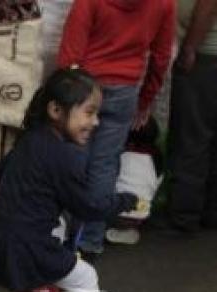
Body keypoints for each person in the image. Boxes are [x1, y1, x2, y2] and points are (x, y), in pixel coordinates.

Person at [0, 69, 140, 292]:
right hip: (27, 249)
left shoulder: (31, 139)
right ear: (56, 110)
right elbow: (89, 206)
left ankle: (61, 288)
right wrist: (123, 202)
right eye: (89, 113)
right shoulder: (66, 156)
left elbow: (2, 171)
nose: (95, 122)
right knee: (87, 275)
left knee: (60, 226)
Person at [57, 0, 175, 258]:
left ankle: (59, 236)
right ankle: (89, 242)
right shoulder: (164, 4)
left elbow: (69, 55)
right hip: (125, 91)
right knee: (104, 167)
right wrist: (144, 101)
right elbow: (161, 58)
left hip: (84, 87)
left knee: (70, 161)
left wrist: (65, 96)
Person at [167, 0, 217, 232]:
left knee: (192, 138)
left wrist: (189, 48)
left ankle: (184, 217)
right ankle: (210, 212)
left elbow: (207, 6)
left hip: (205, 56)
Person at [106, 116, 165, 245]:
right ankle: (128, 229)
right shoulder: (157, 158)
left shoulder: (119, 153)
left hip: (114, 212)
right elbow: (157, 182)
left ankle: (109, 230)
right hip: (142, 213)